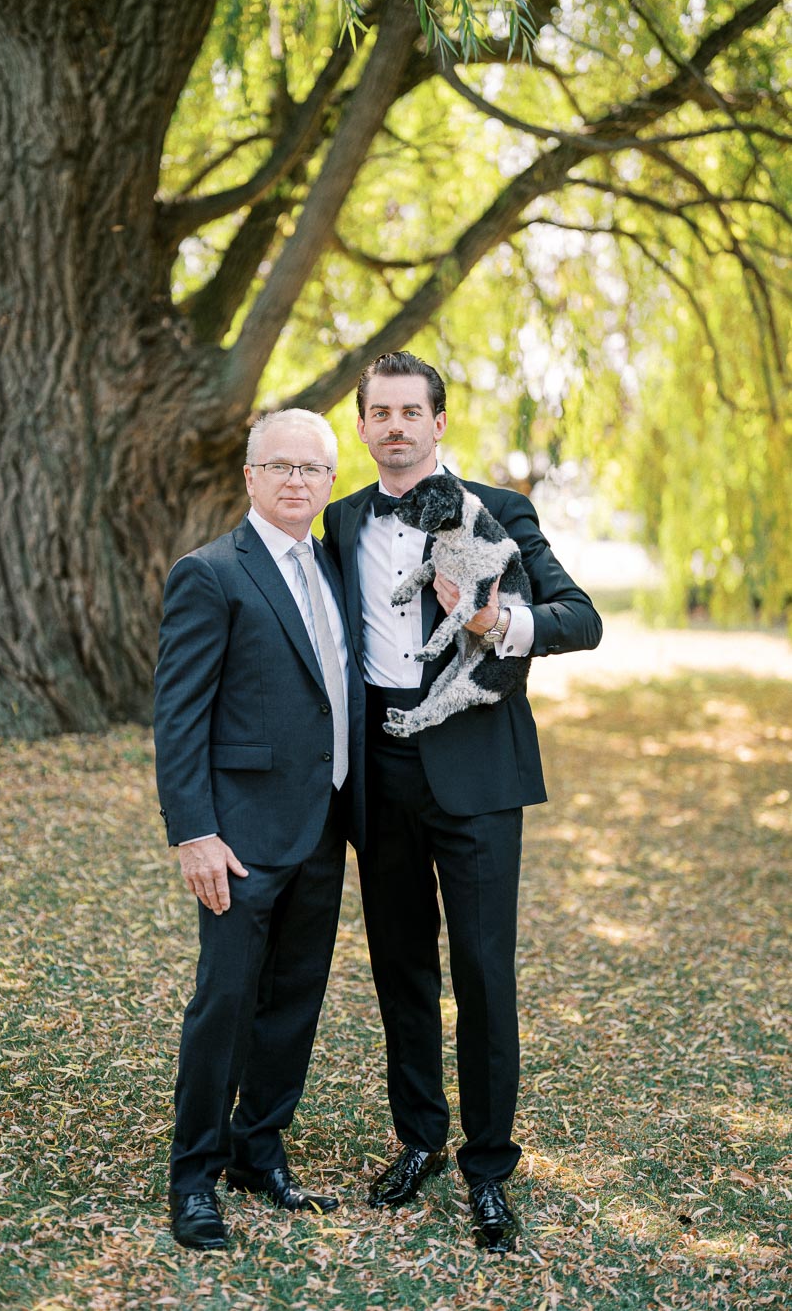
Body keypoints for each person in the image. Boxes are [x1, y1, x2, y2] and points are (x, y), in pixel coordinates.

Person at [322, 351, 602, 1253]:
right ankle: (418, 1141)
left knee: (483, 973)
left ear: (439, 423)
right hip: (381, 771)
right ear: (362, 427)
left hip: (478, 774)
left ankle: (489, 1168)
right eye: (381, 412)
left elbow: (580, 617)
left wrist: (497, 623)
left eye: (413, 411)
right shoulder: (338, 522)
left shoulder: (500, 512)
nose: (396, 426)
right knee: (401, 967)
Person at [154, 409, 365, 1251]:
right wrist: (194, 831)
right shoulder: (210, 574)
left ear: (328, 484)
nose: (295, 482)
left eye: (312, 470)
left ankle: (258, 1150)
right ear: (249, 476)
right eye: (278, 466)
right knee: (227, 1003)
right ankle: (194, 1177)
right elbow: (179, 716)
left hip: (323, 825)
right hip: (238, 837)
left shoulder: (334, 568)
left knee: (295, 1003)